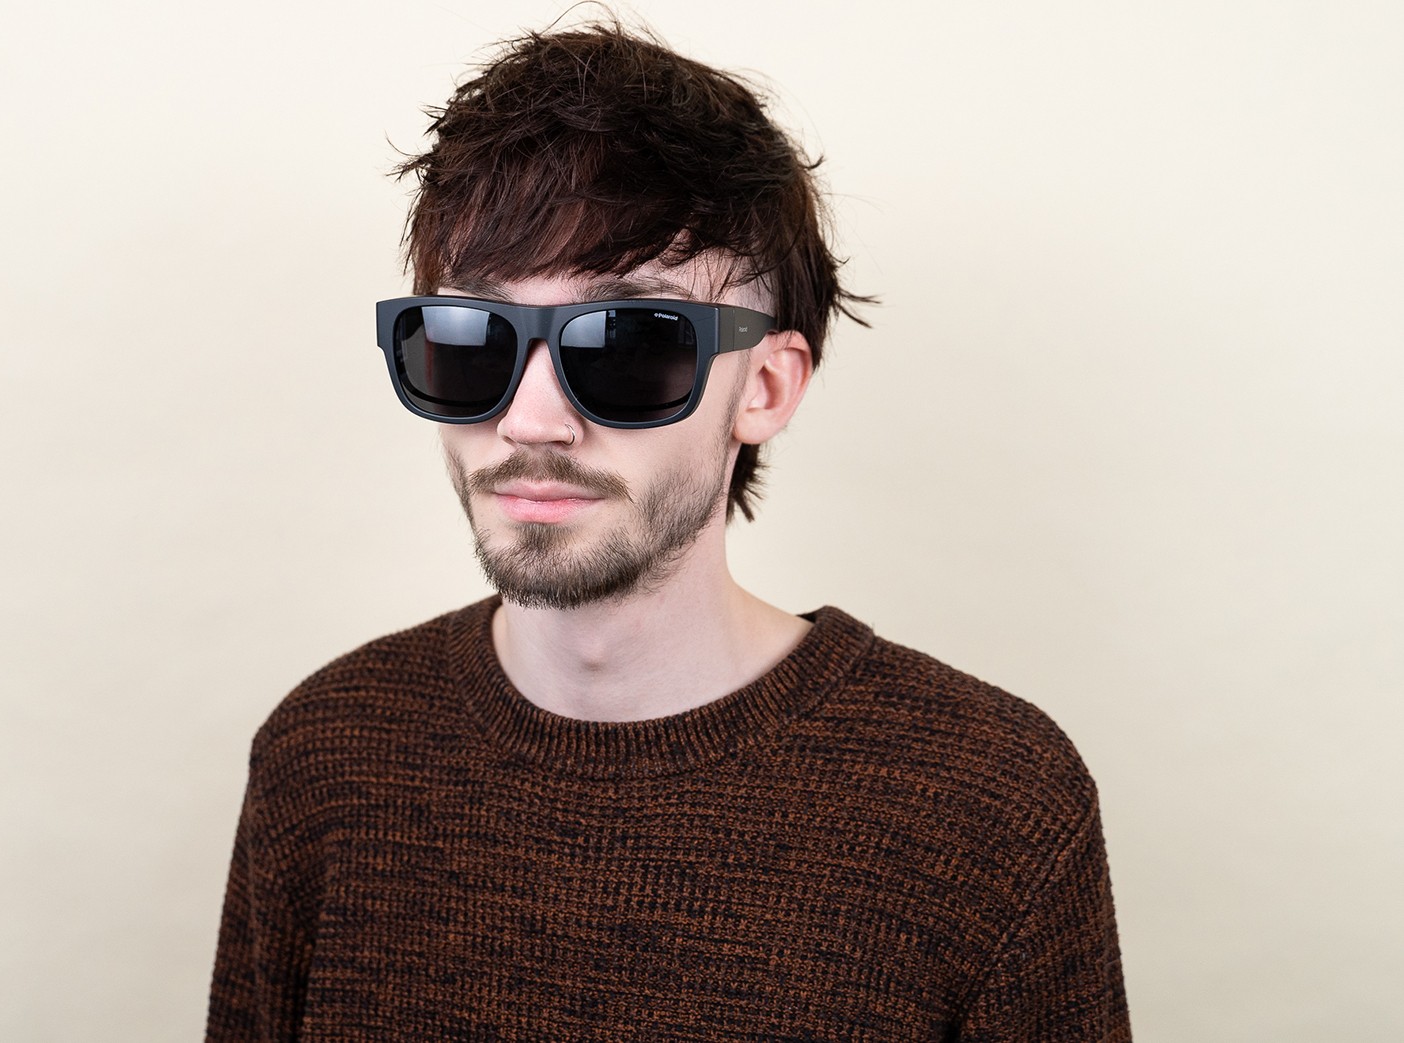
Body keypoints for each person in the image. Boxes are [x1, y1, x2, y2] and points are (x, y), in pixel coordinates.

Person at [207, 22, 1129, 1041]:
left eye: (628, 343)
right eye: (472, 339)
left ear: (765, 386)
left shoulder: (991, 808)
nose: (531, 419)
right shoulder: (327, 756)